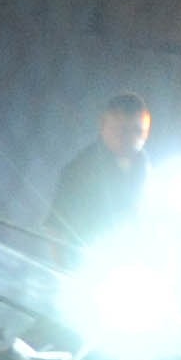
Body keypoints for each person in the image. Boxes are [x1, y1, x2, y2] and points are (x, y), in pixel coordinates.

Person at [45, 92, 153, 262]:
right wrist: (62, 272)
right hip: (85, 266)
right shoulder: (78, 170)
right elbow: (55, 229)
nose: (131, 138)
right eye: (122, 131)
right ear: (103, 126)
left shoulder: (145, 166)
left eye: (138, 131)